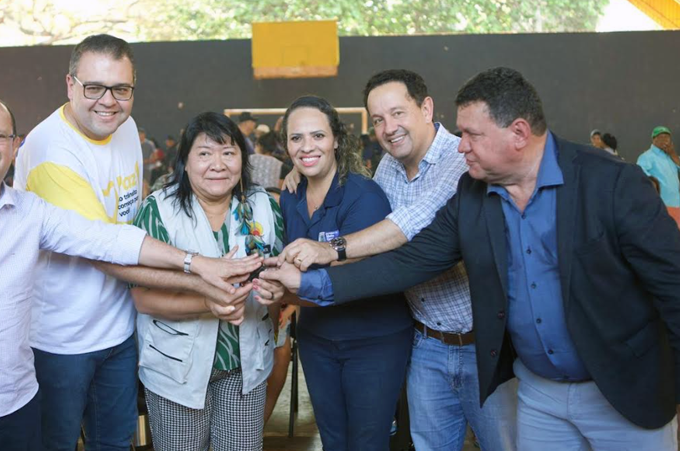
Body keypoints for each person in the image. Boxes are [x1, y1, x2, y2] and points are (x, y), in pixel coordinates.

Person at [266, 67, 680, 451]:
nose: (461, 145)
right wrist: (309, 283)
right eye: (377, 119)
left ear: (518, 132)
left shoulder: (608, 182)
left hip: (613, 388)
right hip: (510, 378)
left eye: (471, 135)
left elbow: (672, 287)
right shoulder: (464, 189)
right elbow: (410, 261)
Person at [0, 94, 258, 451]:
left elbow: (108, 240)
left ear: (16, 145)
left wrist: (195, 262)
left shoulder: (31, 213)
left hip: (17, 407)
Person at [13, 34, 260, 450]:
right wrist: (199, 271)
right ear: (70, 84)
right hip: (62, 337)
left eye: (121, 89)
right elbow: (103, 250)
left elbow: (135, 210)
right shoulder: (50, 151)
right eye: (94, 87)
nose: (108, 101)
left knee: (114, 442)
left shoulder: (124, 127)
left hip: (121, 328)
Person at [279, 70, 517, 451]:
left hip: (480, 344)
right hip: (425, 341)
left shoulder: (460, 162)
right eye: (378, 120)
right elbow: (345, 182)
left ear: (425, 108)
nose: (389, 128)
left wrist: (331, 248)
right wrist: (305, 164)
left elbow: (406, 225)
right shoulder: (388, 167)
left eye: (397, 113)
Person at [130, 112, 283, 451]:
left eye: (228, 153)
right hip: (175, 369)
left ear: (243, 160)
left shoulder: (263, 207)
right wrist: (208, 303)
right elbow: (142, 298)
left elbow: (278, 273)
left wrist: (276, 290)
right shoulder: (159, 210)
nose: (218, 164)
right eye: (204, 153)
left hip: (245, 367)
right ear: (185, 161)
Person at [273, 95, 414, 451]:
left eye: (318, 136)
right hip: (318, 338)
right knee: (333, 439)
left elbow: (357, 278)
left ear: (336, 139)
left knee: (367, 441)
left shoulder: (363, 196)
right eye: (296, 138)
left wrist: (282, 292)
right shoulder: (290, 195)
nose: (307, 147)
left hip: (372, 341)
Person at [637, 126, 680, 227]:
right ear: (653, 139)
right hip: (661, 206)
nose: (665, 140)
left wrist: (673, 154)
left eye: (667, 137)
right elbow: (640, 175)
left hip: (677, 204)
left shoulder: (670, 156)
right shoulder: (647, 157)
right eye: (661, 137)